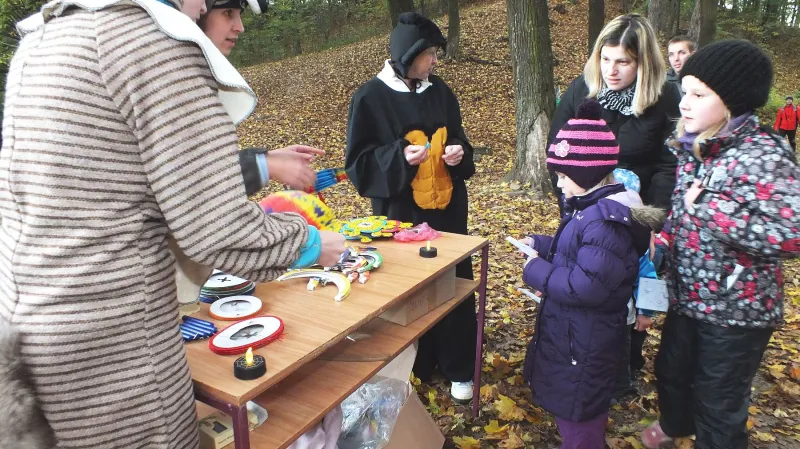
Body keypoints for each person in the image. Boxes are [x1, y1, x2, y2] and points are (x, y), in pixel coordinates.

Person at [0, 1, 345, 447]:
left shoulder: (45, 37)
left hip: (28, 330)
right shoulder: (153, 42)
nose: (203, 8)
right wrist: (312, 243)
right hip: (113, 344)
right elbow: (219, 228)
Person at [641, 40, 800, 449]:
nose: (684, 103)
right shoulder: (695, 145)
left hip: (738, 309)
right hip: (688, 295)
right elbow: (682, 210)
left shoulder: (764, 154)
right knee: (671, 371)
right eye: (684, 92)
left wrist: (713, 209)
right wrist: (665, 241)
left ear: (732, 101)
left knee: (718, 398)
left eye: (699, 95)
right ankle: (676, 425)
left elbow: (791, 232)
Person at [345, 12, 477, 401]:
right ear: (409, 55)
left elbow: (461, 140)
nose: (435, 60)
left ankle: (457, 366)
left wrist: (458, 152)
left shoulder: (441, 92)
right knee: (410, 291)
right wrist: (399, 157)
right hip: (400, 216)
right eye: (429, 54)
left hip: (447, 213)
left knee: (451, 286)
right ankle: (414, 365)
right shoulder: (369, 98)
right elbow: (359, 165)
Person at [521, 100, 663, 449]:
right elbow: (578, 252)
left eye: (563, 176)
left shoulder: (604, 221)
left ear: (586, 176)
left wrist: (536, 270)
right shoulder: (588, 210)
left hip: (585, 342)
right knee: (572, 410)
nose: (559, 184)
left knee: (579, 417)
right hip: (576, 335)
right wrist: (541, 244)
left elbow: (586, 286)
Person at [550, 14, 681, 213]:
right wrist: (570, 206)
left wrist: (650, 218)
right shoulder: (580, 90)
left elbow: (669, 165)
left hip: (640, 211)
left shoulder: (665, 96)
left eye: (623, 62)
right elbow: (557, 152)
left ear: (643, 63)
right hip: (583, 209)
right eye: (605, 59)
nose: (610, 70)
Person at [610, 169, 657, 402]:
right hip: (607, 311)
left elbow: (649, 276)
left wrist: (646, 313)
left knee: (623, 350)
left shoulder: (636, 243)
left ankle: (622, 386)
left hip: (625, 312)